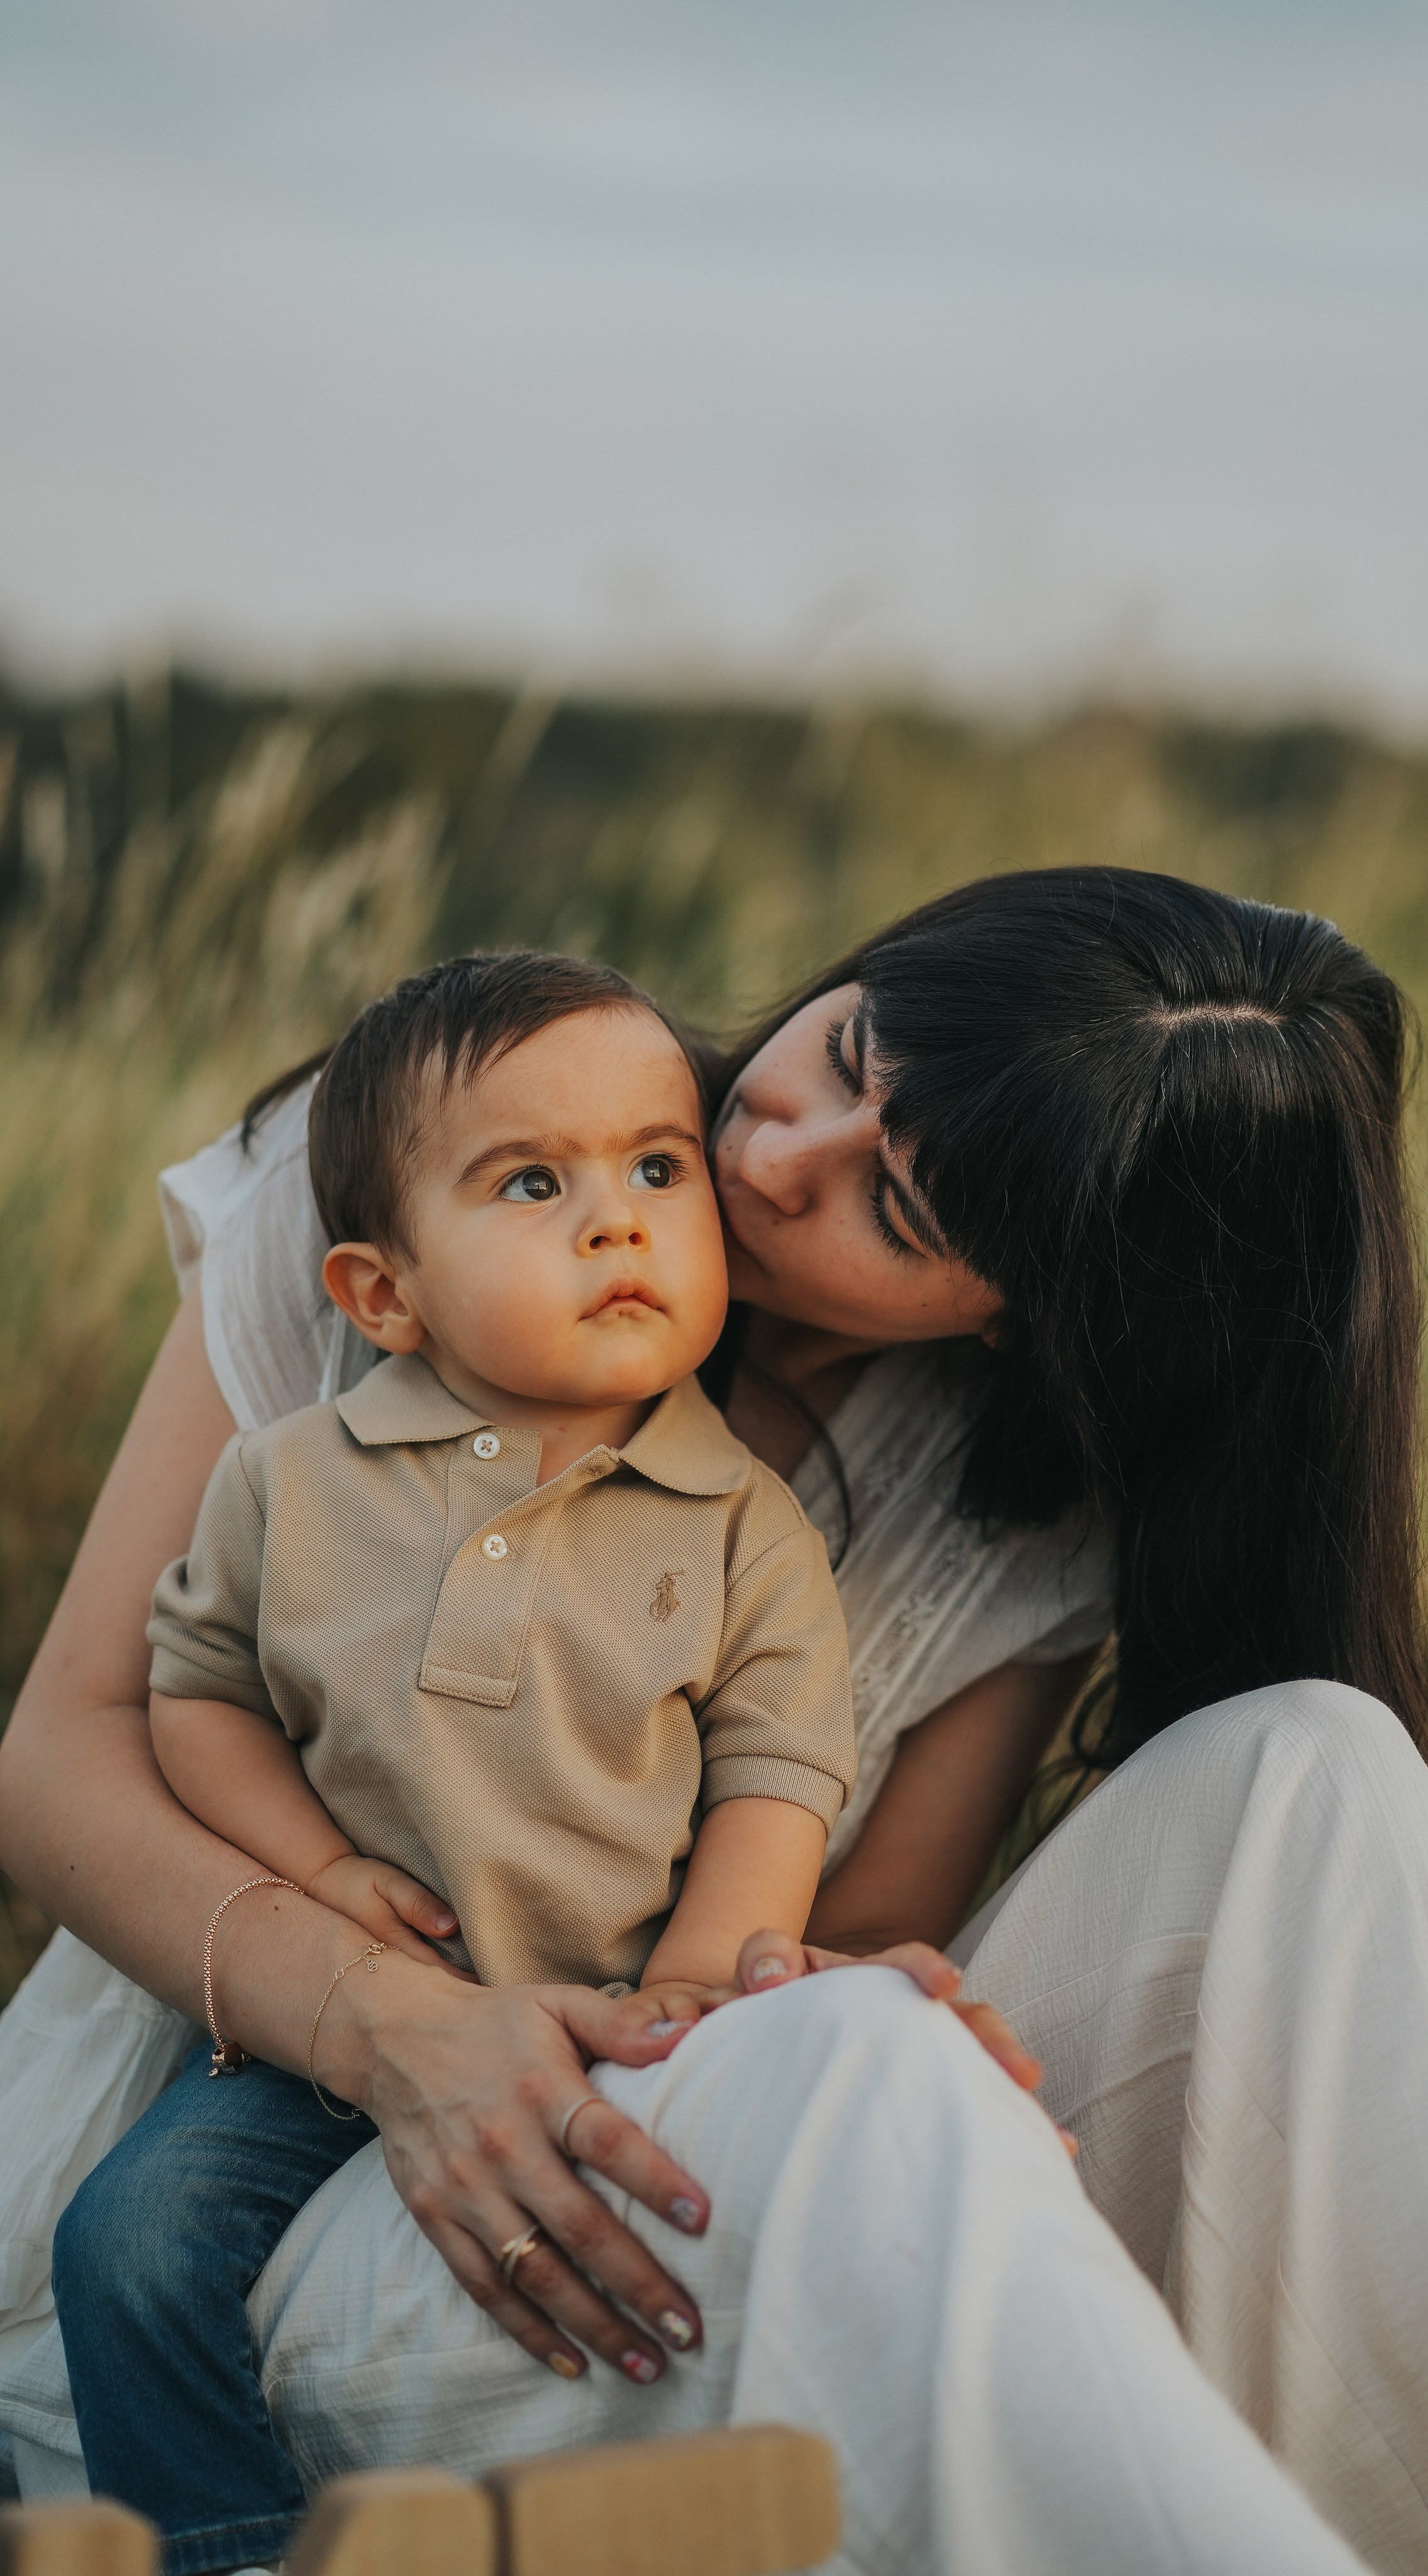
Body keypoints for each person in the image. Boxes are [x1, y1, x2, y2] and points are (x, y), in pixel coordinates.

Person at [0, 867, 1428, 2573]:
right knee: (855, 2074)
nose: (770, 1156)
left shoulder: (1017, 1513)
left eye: (891, 1210)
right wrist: (391, 2023)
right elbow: (67, 1752)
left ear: (1025, 1309)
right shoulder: (442, 1143)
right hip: (262, 2205)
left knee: (1319, 1766)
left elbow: (830, 1939)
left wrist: (839, 1979)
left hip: (633, 2140)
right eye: (840, 1052)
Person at [48, 952, 856, 2575]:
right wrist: (318, 1874)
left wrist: (699, 1981)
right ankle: (232, 2546)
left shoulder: (743, 1527)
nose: (615, 1220)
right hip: (318, 2045)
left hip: (614, 2029)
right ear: (380, 1296)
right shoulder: (291, 1481)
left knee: (731, 2275)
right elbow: (191, 1697)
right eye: (531, 1184)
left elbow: (779, 1774)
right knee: (126, 2244)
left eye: (653, 1169)